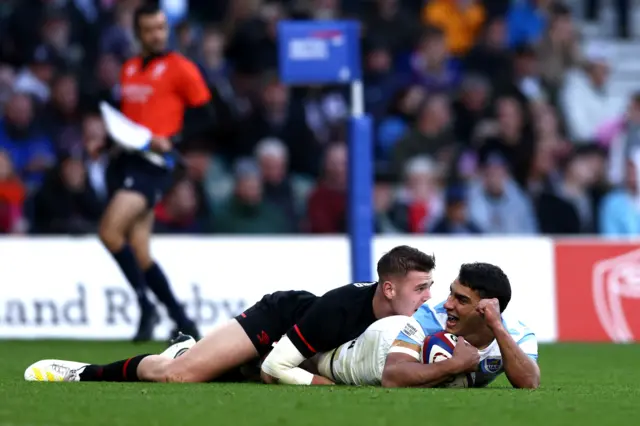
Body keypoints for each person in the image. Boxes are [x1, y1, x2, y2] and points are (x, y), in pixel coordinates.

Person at [24, 245, 435, 384]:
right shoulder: (340, 309)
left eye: (430, 286)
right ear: (388, 288)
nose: (427, 296)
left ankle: (195, 351)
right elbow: (276, 366)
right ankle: (85, 373)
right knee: (178, 376)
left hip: (296, 344)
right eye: (420, 287)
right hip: (275, 324)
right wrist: (321, 382)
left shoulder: (409, 316)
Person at [98, 4, 214, 341]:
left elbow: (206, 115)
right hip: (128, 161)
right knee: (140, 250)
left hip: (154, 165)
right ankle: (183, 322)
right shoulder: (130, 68)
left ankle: (145, 305)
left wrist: (174, 138)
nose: (157, 35)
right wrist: (106, 142)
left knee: (109, 231)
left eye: (161, 28)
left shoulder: (181, 68)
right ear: (138, 33)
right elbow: (130, 120)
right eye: (150, 29)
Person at [311, 263, 540, 389]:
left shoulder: (518, 335)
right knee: (319, 360)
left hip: (410, 360)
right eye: (451, 292)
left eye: (461, 300)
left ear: (486, 311)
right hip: (378, 349)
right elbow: (392, 377)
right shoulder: (432, 316)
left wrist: (497, 328)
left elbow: (529, 383)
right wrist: (455, 365)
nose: (447, 304)